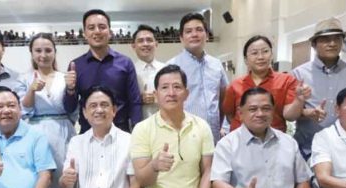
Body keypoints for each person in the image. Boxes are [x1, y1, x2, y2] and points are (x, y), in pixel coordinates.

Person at [15, 33, 76, 188]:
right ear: (31, 53)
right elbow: (22, 110)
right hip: (34, 130)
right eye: (38, 50)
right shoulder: (24, 78)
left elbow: (73, 110)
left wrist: (72, 88)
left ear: (55, 52)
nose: (43, 55)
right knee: (38, 178)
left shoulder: (65, 77)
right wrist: (31, 90)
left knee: (63, 177)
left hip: (63, 130)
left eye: (48, 50)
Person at [291, 17, 346, 159]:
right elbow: (289, 112)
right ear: (314, 44)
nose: (332, 44)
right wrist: (307, 112)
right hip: (308, 147)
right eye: (326, 40)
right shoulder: (299, 74)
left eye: (337, 39)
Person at [63, 9, 142, 133]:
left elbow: (135, 102)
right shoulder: (76, 66)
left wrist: (138, 132)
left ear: (110, 32)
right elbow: (70, 107)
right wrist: (70, 89)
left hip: (120, 133)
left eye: (102, 27)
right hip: (88, 134)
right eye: (91, 27)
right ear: (84, 33)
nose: (97, 31)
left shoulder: (125, 63)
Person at [222, 36, 310, 133]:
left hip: (273, 141)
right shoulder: (235, 85)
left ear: (271, 55)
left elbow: (289, 116)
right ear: (246, 60)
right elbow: (229, 115)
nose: (260, 57)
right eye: (254, 53)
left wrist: (299, 100)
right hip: (240, 141)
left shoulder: (286, 81)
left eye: (265, 51)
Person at [167, 13, 229, 142]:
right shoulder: (172, 66)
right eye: (188, 31)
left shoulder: (216, 64)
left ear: (206, 35)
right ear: (181, 38)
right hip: (184, 135)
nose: (194, 34)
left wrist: (223, 126)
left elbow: (223, 98)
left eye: (199, 30)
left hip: (213, 135)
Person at [131, 25, 164, 120]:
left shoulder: (166, 68)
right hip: (137, 125)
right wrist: (138, 99)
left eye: (149, 40)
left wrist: (158, 98)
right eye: (140, 41)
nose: (145, 44)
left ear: (156, 44)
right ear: (133, 46)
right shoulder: (129, 70)